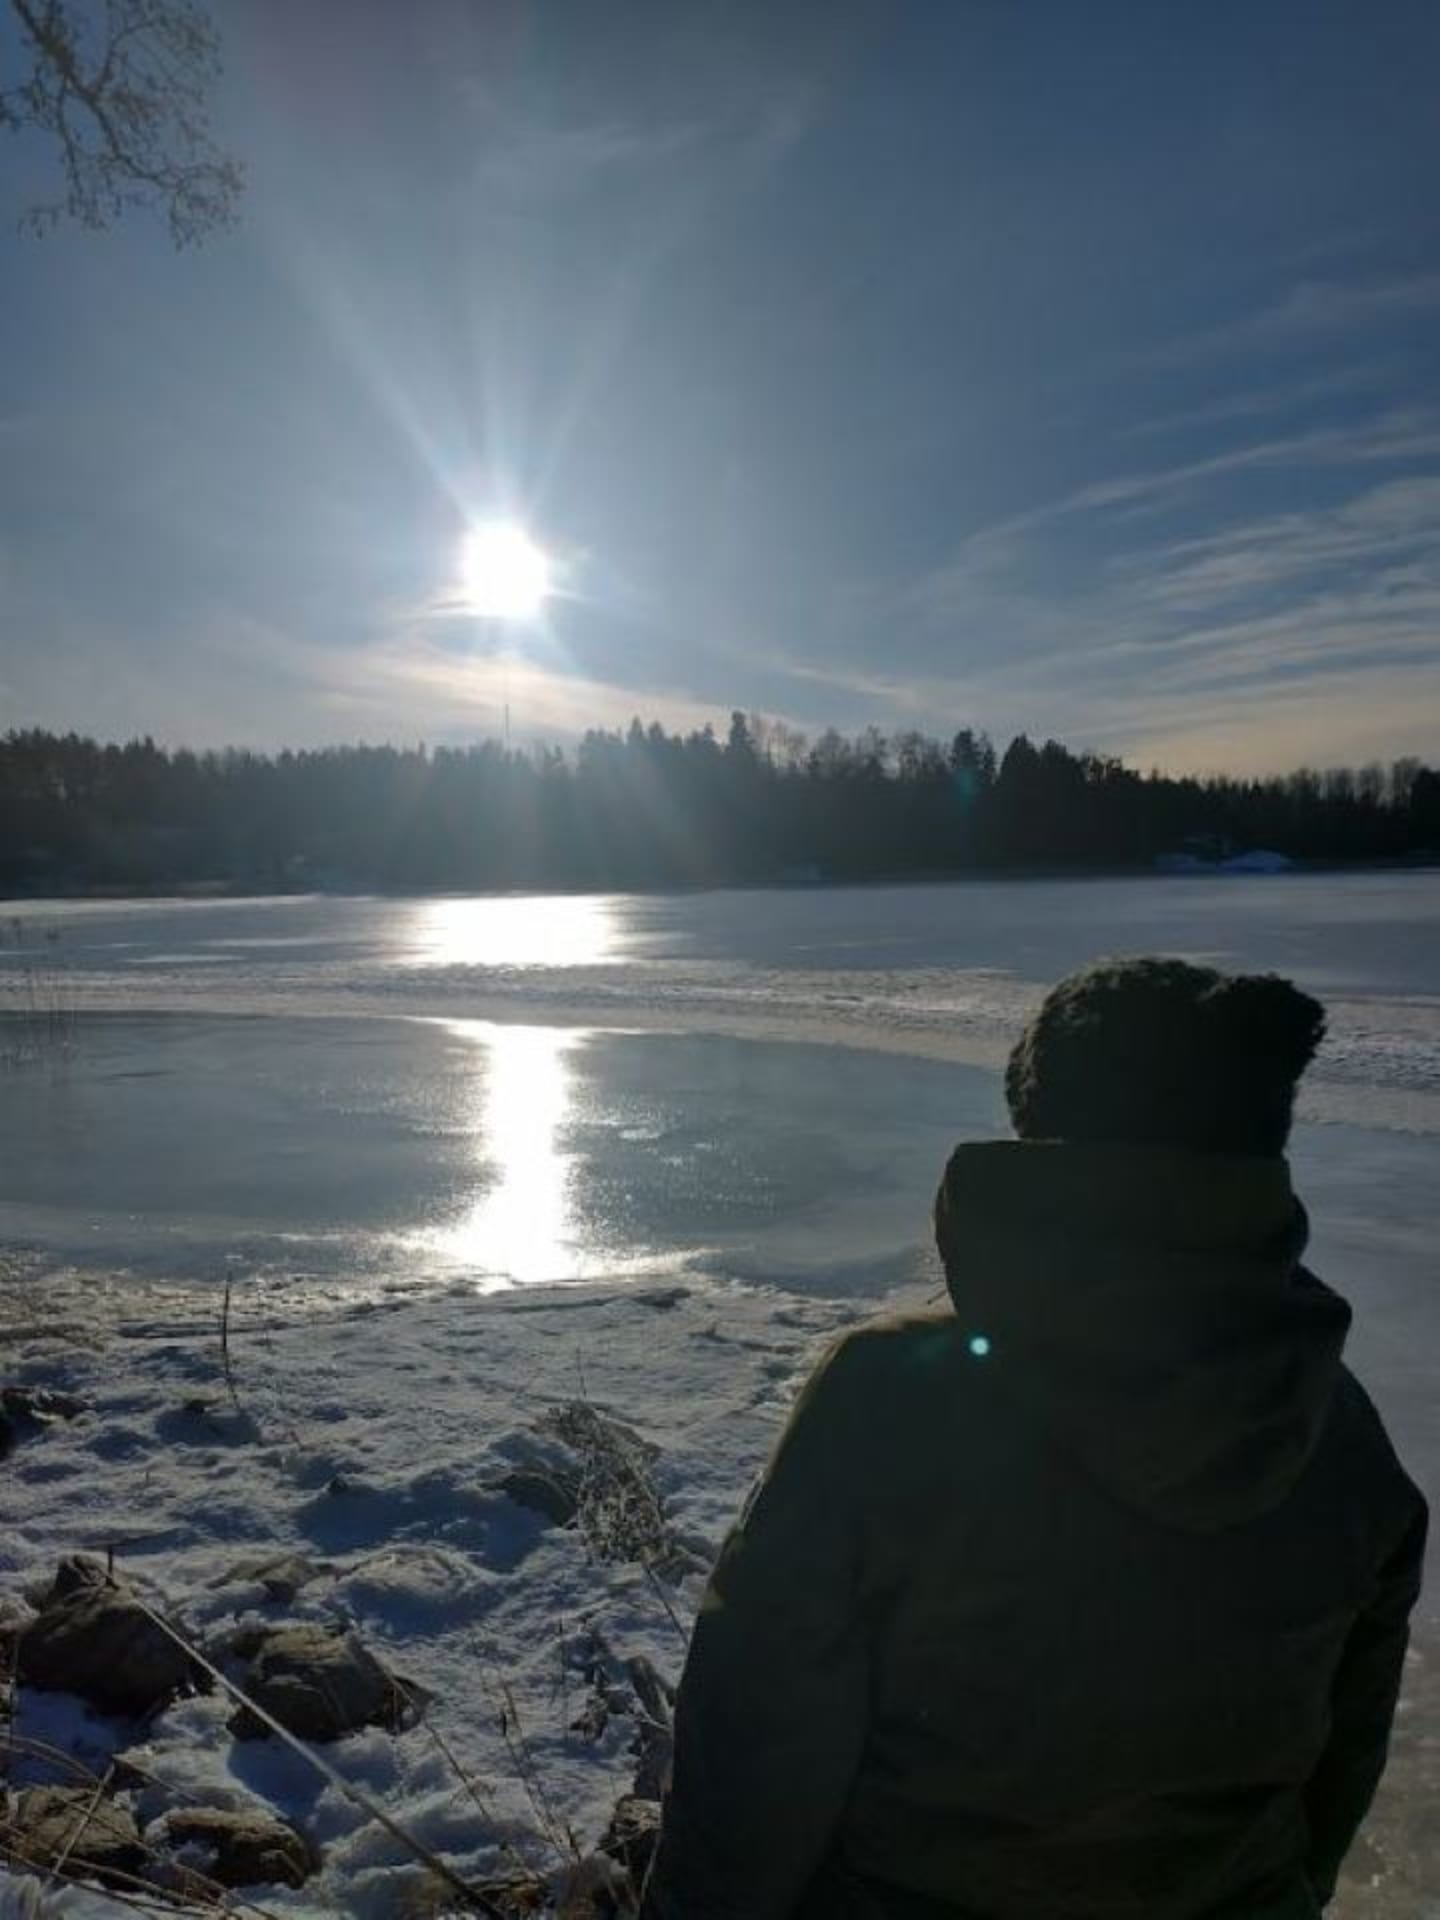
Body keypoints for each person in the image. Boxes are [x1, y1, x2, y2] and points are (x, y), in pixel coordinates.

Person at [640, 958, 1427, 1920]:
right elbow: (1337, 1777)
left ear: (1043, 1138)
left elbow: (756, 1762)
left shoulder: (887, 1402)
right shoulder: (1340, 1435)